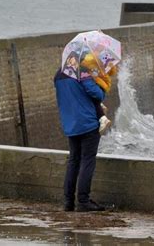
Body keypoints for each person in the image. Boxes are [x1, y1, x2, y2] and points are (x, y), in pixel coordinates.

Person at [54, 67, 106, 212]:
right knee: (87, 160)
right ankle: (83, 200)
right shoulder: (82, 72)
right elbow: (97, 94)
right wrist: (101, 87)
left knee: (74, 160)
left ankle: (68, 201)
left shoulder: (58, 75)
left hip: (70, 124)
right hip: (87, 122)